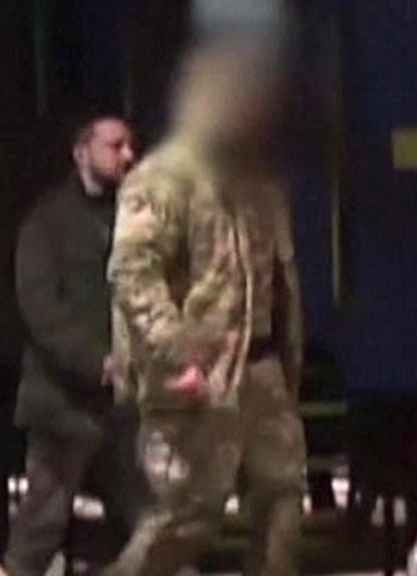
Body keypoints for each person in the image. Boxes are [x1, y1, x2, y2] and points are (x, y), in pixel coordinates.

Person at [102, 37, 306, 576]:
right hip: (199, 374)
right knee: (189, 516)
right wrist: (176, 355)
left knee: (283, 497)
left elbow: (277, 277)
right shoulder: (164, 178)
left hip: (261, 369)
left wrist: (287, 362)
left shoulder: (260, 183)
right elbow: (132, 273)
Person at [4, 114, 145, 576]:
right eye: (115, 146)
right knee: (42, 523)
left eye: (130, 145)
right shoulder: (48, 222)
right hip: (62, 402)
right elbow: (41, 308)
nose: (128, 155)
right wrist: (95, 362)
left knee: (152, 522)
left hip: (124, 403)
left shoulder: (134, 220)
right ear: (82, 152)